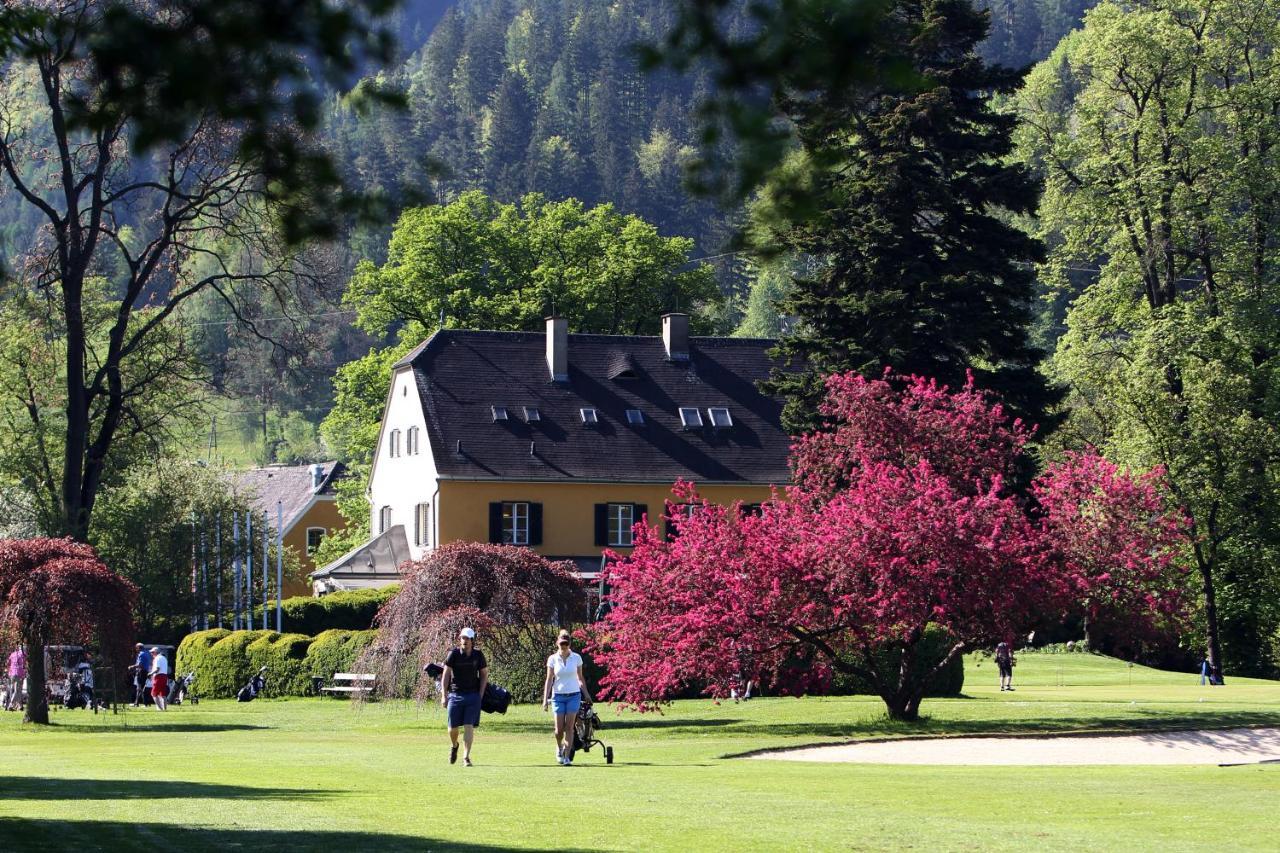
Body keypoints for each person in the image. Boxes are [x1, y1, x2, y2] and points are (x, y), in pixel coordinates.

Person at [542, 629, 591, 766]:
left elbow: (580, 678)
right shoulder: (552, 659)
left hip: (573, 695)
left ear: (569, 644)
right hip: (558, 696)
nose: (563, 646)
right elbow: (549, 679)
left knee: (569, 727)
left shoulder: (576, 658)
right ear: (557, 643)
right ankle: (559, 747)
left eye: (566, 644)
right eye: (561, 644)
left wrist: (586, 694)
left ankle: (567, 757)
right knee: (558, 730)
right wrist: (545, 699)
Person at [441, 627, 487, 767]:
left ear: (472, 640)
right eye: (462, 638)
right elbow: (446, 674)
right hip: (455, 695)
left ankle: (466, 757)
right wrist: (444, 694)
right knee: (452, 728)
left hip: (472, 695)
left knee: (469, 726)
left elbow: (484, 674)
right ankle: (455, 745)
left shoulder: (478, 655)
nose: (464, 641)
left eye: (467, 638)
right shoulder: (453, 654)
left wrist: (480, 694)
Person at [5, 646, 25, 711]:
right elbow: (24, 664)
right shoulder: (22, 654)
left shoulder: (12, 654)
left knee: (17, 690)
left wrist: (9, 670)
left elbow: (8, 663)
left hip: (12, 674)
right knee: (17, 690)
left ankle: (20, 706)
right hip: (19, 673)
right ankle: (11, 704)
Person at [149, 647, 168, 711]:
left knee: (153, 693)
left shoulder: (157, 658)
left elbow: (157, 669)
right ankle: (164, 708)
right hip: (165, 676)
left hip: (158, 677)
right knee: (163, 694)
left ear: (155, 652)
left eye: (152, 652)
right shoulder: (164, 658)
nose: (151, 654)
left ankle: (160, 709)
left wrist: (151, 673)